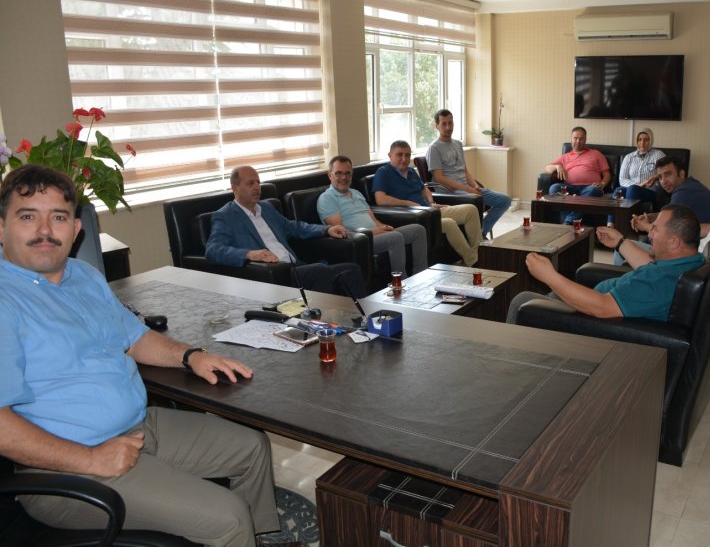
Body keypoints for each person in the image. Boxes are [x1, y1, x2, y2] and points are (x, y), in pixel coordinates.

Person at [0, 165, 295, 546]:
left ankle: (261, 537)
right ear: (2, 227)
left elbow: (134, 337)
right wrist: (91, 459)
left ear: (75, 230)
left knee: (252, 447)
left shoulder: (83, 275)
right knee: (229, 516)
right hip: (69, 468)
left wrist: (190, 356)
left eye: (58, 217)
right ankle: (237, 535)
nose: (45, 230)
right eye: (28, 217)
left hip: (137, 428)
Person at [506, 204, 704, 324]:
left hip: (593, 317)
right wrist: (620, 242)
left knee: (522, 300)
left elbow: (603, 308)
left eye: (655, 230)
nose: (649, 233)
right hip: (600, 300)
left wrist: (550, 276)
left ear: (674, 242)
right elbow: (647, 266)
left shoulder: (661, 282)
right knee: (552, 295)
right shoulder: (688, 262)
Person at [206, 165, 366, 298]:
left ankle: (361, 321)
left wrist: (327, 229)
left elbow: (293, 227)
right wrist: (249, 254)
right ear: (235, 188)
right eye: (250, 183)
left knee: (351, 270)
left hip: (296, 267)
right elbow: (213, 250)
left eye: (258, 182)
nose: (257, 187)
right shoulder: (225, 216)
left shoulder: (266, 208)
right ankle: (323, 322)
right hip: (275, 275)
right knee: (319, 271)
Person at [373, 140, 483, 266]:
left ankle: (481, 253)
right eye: (399, 155)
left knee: (470, 210)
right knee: (449, 223)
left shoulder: (411, 171)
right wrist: (408, 203)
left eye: (407, 155)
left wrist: (431, 202)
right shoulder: (383, 173)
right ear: (390, 155)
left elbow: (424, 189)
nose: (404, 159)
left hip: (430, 210)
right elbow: (380, 199)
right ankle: (474, 261)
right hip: (415, 217)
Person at [318, 155, 428, 277]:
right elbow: (342, 231)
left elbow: (373, 219)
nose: (344, 177)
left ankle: (421, 276)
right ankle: (401, 283)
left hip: (376, 234)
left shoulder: (356, 193)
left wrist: (384, 227)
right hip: (361, 241)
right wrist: (374, 232)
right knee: (394, 237)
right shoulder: (326, 198)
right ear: (330, 175)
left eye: (347, 173)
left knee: (418, 230)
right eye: (338, 173)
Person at [614, 156, 710, 265]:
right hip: (698, 244)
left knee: (621, 248)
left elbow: (665, 230)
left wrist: (645, 226)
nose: (663, 181)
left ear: (681, 174)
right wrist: (649, 217)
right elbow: (670, 214)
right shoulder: (690, 185)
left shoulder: (684, 192)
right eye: (660, 177)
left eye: (668, 174)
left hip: (696, 250)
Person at [426, 109, 512, 238]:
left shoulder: (457, 144)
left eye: (450, 123)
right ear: (436, 126)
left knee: (505, 200)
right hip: (451, 192)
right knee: (476, 200)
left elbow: (465, 171)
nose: (448, 127)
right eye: (444, 124)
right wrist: (468, 189)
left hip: (467, 189)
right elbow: (439, 178)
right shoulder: (434, 148)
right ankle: (477, 235)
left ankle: (481, 233)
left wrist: (475, 186)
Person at [545, 126, 611, 224]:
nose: (578, 141)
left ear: (585, 140)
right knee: (554, 188)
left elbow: (607, 174)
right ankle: (570, 222)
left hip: (590, 188)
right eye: (575, 138)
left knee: (594, 190)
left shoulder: (596, 154)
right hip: (570, 188)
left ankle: (568, 222)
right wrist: (557, 166)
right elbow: (547, 168)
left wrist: (602, 183)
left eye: (581, 138)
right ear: (571, 139)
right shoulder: (565, 157)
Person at [613, 127, 665, 205]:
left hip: (649, 191)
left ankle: (629, 213)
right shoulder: (629, 157)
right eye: (639, 140)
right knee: (619, 191)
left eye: (646, 140)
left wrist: (655, 177)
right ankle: (615, 213)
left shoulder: (658, 154)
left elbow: (665, 172)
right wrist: (638, 184)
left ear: (651, 141)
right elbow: (622, 179)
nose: (642, 142)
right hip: (631, 189)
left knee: (633, 189)